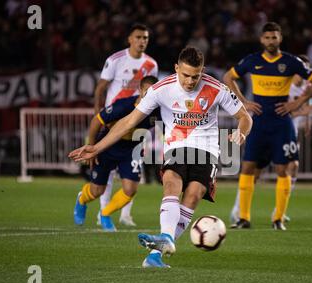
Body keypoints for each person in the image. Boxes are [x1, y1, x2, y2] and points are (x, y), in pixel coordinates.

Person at [69, 47, 252, 268]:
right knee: (171, 182)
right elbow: (128, 121)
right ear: (176, 69)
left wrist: (241, 131)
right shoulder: (161, 89)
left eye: (196, 76)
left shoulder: (216, 88)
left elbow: (245, 117)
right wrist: (97, 147)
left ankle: (156, 255)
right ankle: (165, 238)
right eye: (185, 75)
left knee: (193, 196)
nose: (190, 81)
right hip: (176, 146)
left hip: (207, 149)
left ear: (202, 72)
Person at [223, 22, 312, 231]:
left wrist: (297, 102)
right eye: (267, 38)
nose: (271, 41)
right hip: (258, 122)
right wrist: (243, 101)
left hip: (281, 123)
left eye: (274, 37)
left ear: (280, 38)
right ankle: (243, 218)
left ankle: (278, 219)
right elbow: (228, 77)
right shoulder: (252, 60)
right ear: (262, 39)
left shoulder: (291, 62)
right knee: (248, 167)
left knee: (282, 169)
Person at [73, 76, 160, 231]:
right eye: (147, 92)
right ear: (140, 90)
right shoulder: (123, 106)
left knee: (130, 189)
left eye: (154, 93)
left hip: (131, 150)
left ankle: (105, 213)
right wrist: (91, 147)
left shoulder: (158, 111)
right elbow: (96, 121)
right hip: (108, 146)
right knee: (96, 191)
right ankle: (82, 199)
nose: (150, 96)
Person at [93, 23, 159, 227]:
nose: (142, 41)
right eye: (138, 37)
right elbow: (101, 88)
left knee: (133, 172)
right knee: (109, 171)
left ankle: (125, 214)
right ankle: (102, 213)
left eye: (145, 38)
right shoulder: (115, 60)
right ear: (129, 39)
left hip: (139, 123)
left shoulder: (151, 64)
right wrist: (98, 113)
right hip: (115, 120)